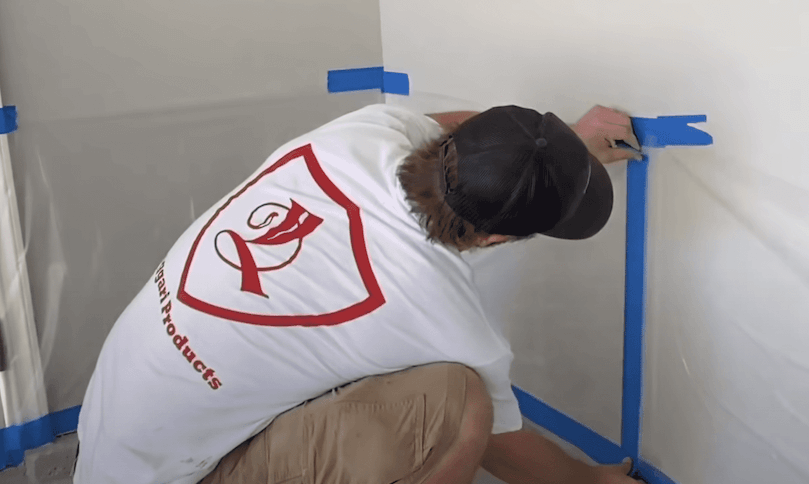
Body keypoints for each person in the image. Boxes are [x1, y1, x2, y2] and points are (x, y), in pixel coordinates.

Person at [73, 102, 644, 484]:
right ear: (498, 237)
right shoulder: (435, 305)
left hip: (109, 439)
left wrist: (557, 150)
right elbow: (506, 442)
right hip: (179, 474)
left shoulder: (361, 135)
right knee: (460, 406)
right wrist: (592, 479)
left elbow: (454, 126)